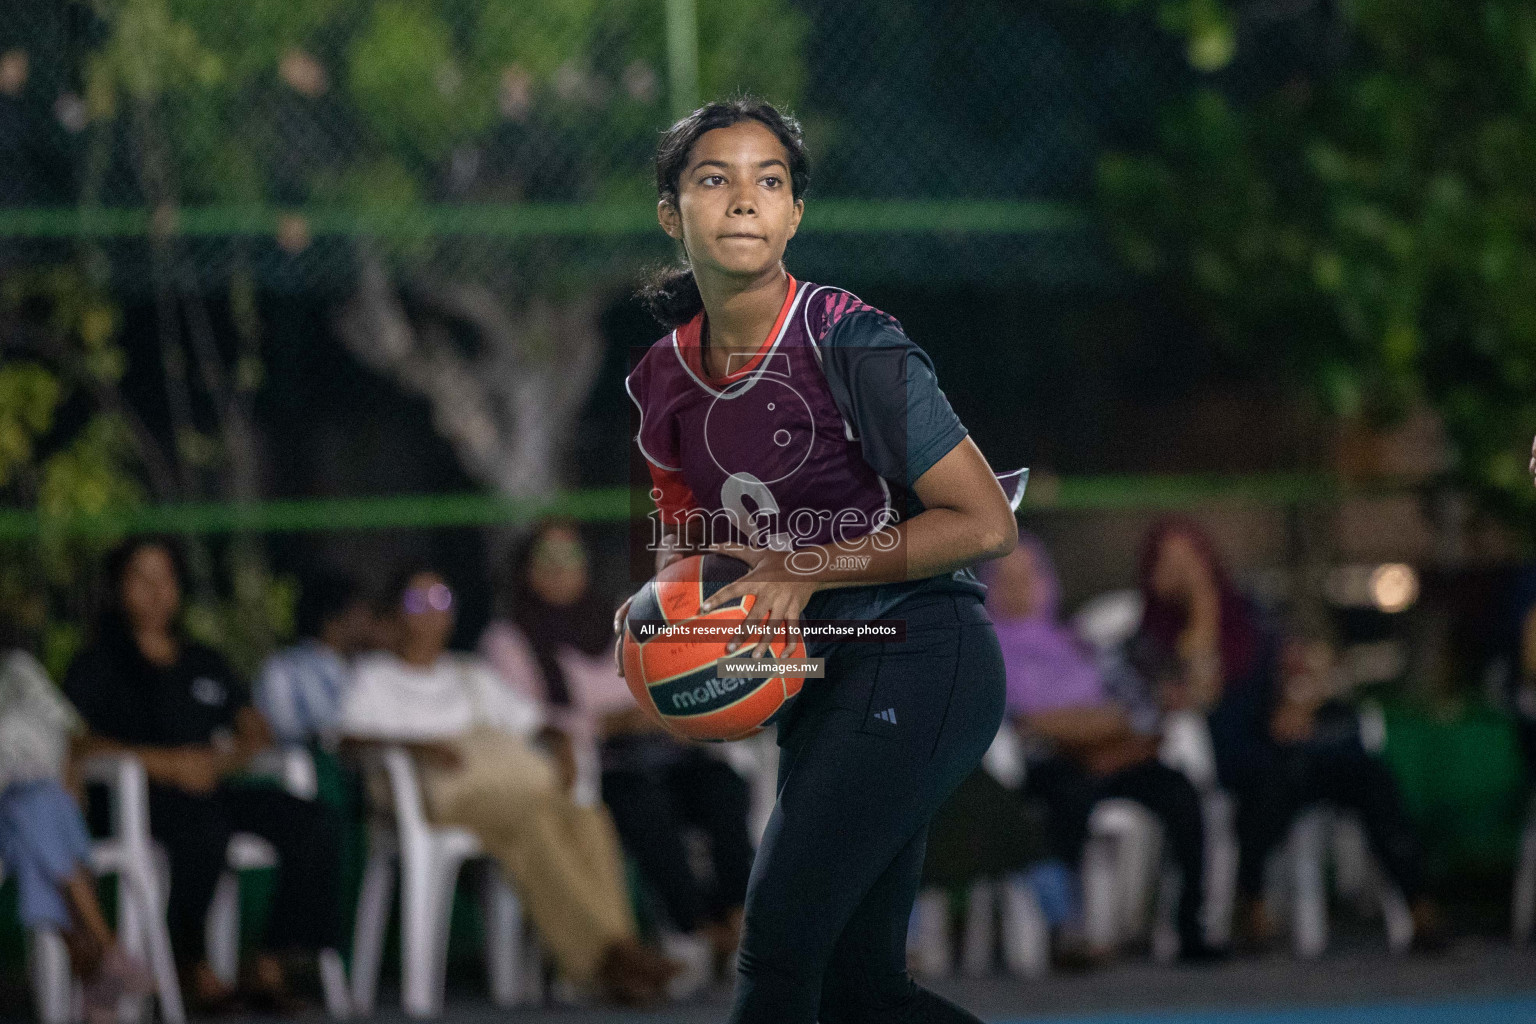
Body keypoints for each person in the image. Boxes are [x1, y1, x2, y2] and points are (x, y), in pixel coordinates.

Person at [618, 97, 1024, 1024]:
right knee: (859, 990)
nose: (744, 200)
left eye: (770, 181)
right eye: (714, 179)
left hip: (923, 652)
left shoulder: (849, 339)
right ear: (670, 211)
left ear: (796, 213)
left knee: (778, 955)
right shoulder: (659, 381)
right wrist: (659, 630)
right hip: (826, 676)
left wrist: (805, 571)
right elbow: (697, 554)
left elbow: (984, 522)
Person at [341, 564, 680, 1006]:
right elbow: (347, 739)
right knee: (536, 820)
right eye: (416, 602)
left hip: (510, 793)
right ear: (394, 614)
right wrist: (417, 746)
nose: (430, 613)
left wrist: (558, 741)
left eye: (441, 601)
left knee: (586, 817)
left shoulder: (469, 675)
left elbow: (535, 722)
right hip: (435, 795)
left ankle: (615, 953)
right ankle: (609, 957)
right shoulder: (376, 676)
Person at [1134, 519, 1444, 951]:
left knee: (1369, 774)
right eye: (1174, 562)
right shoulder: (1152, 637)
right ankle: (1253, 901)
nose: (1189, 571)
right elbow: (1202, 694)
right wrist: (1201, 605)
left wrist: (1298, 702)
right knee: (1270, 778)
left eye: (1195, 559)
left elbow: (1305, 664)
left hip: (1283, 738)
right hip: (1226, 751)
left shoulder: (1246, 613)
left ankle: (1419, 904)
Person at [63, 538, 343, 1014]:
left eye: (165, 578)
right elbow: (78, 744)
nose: (155, 592)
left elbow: (253, 728)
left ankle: (269, 962)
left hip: (212, 788)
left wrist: (225, 759)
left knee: (310, 820)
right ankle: (193, 967)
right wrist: (168, 764)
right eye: (140, 579)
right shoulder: (97, 664)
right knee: (203, 833)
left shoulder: (204, 660)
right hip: (139, 801)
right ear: (117, 589)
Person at [482, 518, 753, 982]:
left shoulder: (623, 620)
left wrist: (674, 716)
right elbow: (524, 719)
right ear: (524, 569)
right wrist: (609, 723)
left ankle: (736, 917)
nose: (562, 569)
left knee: (722, 784)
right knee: (642, 802)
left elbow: (663, 679)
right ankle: (694, 926)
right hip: (594, 767)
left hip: (661, 752)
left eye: (573, 557)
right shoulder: (507, 640)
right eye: (548, 559)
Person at [992, 535, 1220, 962]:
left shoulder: (1078, 641)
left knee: (1182, 793)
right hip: (1051, 764)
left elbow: (1135, 706)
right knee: (1066, 803)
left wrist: (1104, 727)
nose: (1020, 589)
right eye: (1006, 579)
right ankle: (1068, 930)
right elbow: (1025, 722)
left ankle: (1190, 927)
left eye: (1030, 577)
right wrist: (1092, 726)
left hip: (1115, 756)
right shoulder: (987, 649)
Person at [1, 624, 153, 1024]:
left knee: (32, 815)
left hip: (24, 815)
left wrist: (69, 770)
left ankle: (97, 970)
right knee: (35, 806)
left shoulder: (16, 672)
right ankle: (106, 951)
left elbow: (68, 729)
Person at [255, 572, 377, 748]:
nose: (368, 622)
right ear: (333, 618)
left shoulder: (366, 668)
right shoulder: (284, 669)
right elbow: (284, 732)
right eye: (360, 613)